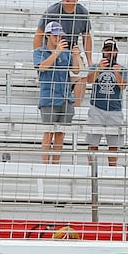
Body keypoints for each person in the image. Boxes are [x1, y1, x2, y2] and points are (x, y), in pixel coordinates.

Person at [34, 21, 81, 163]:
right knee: (49, 131)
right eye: (56, 36)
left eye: (60, 36)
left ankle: (55, 163)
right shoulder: (39, 52)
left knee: (61, 132)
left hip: (65, 96)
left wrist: (76, 55)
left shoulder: (66, 53)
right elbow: (42, 67)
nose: (58, 38)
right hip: (49, 97)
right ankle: (45, 163)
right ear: (48, 36)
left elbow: (76, 70)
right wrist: (57, 52)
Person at [83, 39, 127, 166]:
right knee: (93, 142)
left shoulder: (122, 68)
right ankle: (92, 168)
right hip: (97, 107)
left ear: (117, 51)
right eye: (107, 50)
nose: (109, 53)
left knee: (114, 143)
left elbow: (123, 85)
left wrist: (116, 72)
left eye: (112, 50)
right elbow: (89, 80)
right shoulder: (95, 66)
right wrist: (99, 69)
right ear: (102, 51)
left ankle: (112, 168)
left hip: (115, 109)